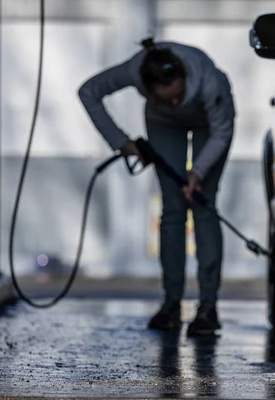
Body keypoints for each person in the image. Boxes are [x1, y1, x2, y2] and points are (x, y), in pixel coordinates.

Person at [78, 38, 235, 336]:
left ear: (185, 79)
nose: (175, 103)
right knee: (173, 208)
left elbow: (221, 131)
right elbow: (88, 91)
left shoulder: (210, 81)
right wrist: (120, 142)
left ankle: (207, 308)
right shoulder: (135, 69)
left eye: (177, 96)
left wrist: (198, 172)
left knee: (203, 204)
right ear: (147, 89)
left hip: (210, 125)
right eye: (166, 98)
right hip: (163, 125)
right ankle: (171, 304)